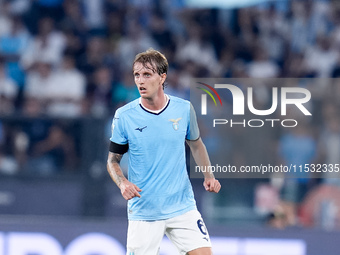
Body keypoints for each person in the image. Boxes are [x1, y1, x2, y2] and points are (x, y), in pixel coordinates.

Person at [107, 48, 221, 255]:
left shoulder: (184, 109)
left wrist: (209, 176)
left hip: (182, 205)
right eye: (137, 75)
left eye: (147, 74)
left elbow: (196, 144)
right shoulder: (124, 116)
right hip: (144, 209)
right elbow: (112, 160)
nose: (140, 81)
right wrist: (122, 183)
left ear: (162, 77)